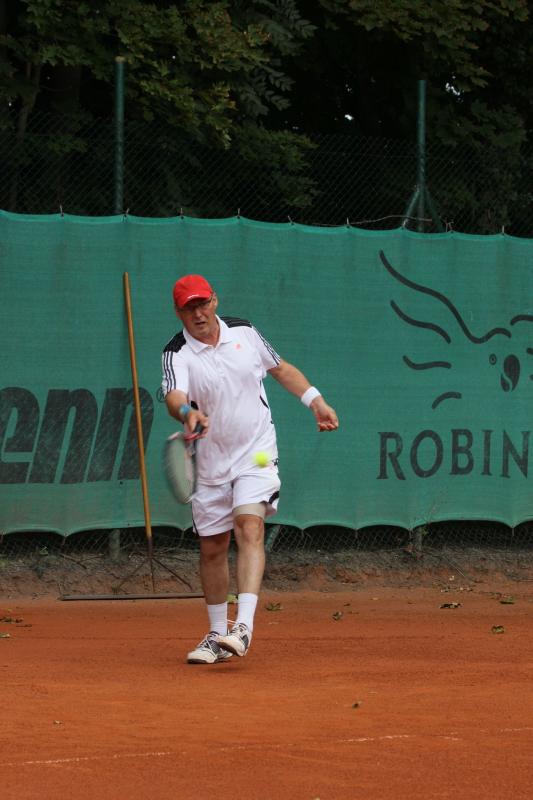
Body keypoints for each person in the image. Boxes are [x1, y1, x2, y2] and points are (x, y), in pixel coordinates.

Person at [161, 274, 338, 664]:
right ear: (178, 312)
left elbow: (281, 369)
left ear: (215, 301)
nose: (198, 313)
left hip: (255, 453)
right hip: (209, 463)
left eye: (203, 304)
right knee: (213, 548)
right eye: (189, 308)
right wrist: (188, 412)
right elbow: (174, 396)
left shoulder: (245, 332)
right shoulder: (176, 353)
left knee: (249, 526)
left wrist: (315, 401)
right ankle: (216, 634)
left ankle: (242, 627)